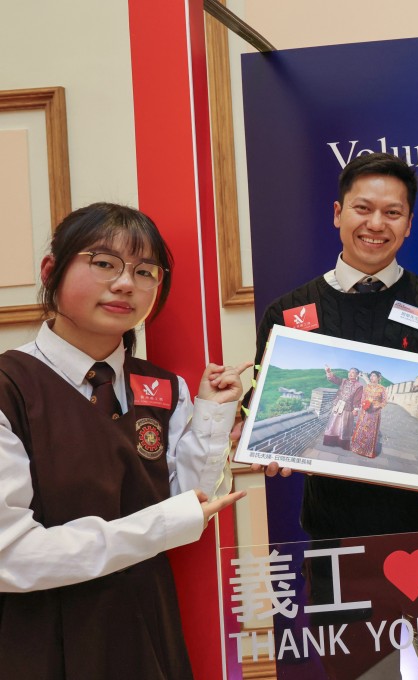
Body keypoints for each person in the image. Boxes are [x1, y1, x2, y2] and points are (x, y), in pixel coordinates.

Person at [0, 203, 246, 678]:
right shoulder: (10, 386)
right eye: (104, 263)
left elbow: (189, 504)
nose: (125, 284)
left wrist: (214, 413)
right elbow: (12, 556)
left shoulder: (164, 388)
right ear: (52, 270)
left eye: (145, 271)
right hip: (38, 637)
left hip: (147, 627)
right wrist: (157, 527)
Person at [251, 152, 418, 538]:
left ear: (408, 225)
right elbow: (258, 398)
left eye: (392, 213)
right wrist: (261, 444)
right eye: (363, 208)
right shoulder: (288, 312)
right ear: (338, 213)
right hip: (334, 529)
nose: (376, 224)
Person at [322, 366, 363, 448]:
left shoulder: (359, 386)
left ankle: (341, 443)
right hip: (338, 406)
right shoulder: (343, 381)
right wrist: (328, 371)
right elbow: (333, 379)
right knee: (333, 423)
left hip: (348, 408)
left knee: (344, 426)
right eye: (349, 372)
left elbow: (357, 398)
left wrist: (356, 409)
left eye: (353, 373)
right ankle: (331, 441)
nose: (350, 374)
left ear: (357, 375)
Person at [351, 370, 386, 458]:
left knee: (371, 432)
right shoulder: (366, 387)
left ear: (378, 377)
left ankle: (367, 451)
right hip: (365, 412)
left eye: (374, 376)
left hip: (374, 414)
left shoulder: (382, 389)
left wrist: (376, 406)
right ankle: (357, 447)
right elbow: (363, 398)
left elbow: (384, 401)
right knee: (361, 429)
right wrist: (364, 404)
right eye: (371, 376)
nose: (371, 377)